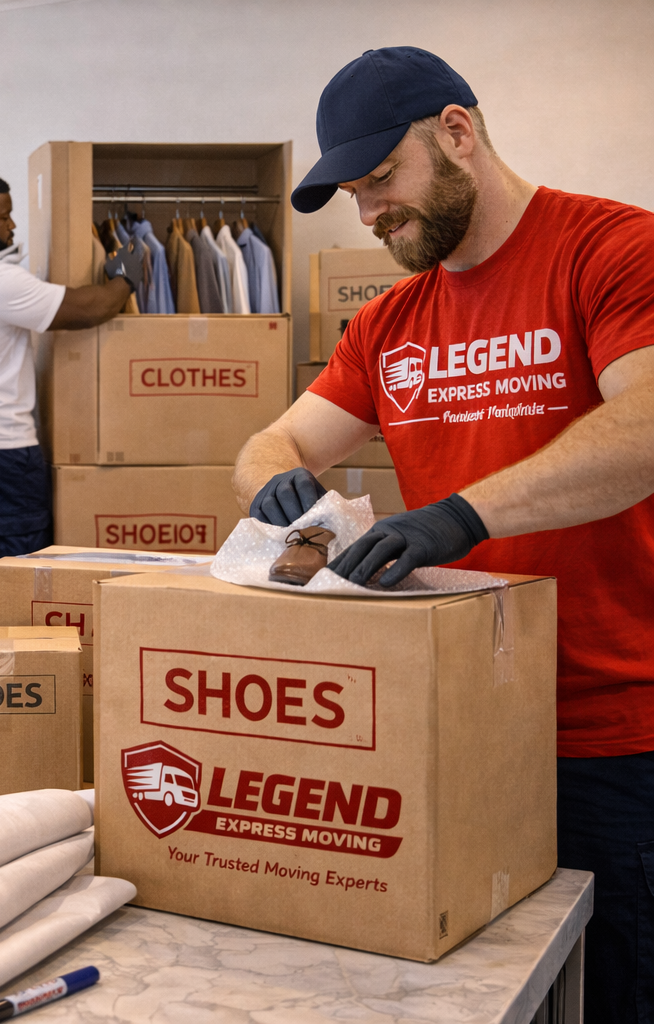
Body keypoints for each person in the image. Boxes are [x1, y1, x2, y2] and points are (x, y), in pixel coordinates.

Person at [234, 47, 654, 1019]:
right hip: (456, 727)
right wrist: (278, 489)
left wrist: (463, 515)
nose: (370, 212)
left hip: (613, 740)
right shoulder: (389, 323)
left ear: (457, 133)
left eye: (381, 179)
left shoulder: (613, 250)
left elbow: (644, 430)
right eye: (353, 193)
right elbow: (271, 441)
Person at [0, 170, 136, 574]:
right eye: (4, 216)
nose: (13, 225)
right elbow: (91, 308)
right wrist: (126, 277)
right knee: (20, 570)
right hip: (1, 449)